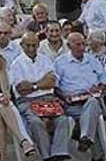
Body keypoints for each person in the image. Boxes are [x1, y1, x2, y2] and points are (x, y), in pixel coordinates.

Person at [11, 32, 73, 161]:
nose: (31, 49)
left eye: (34, 45)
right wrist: (40, 84)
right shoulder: (16, 64)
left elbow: (52, 81)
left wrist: (33, 86)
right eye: (28, 45)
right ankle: (47, 156)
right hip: (27, 100)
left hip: (48, 97)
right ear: (22, 45)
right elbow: (21, 89)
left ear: (39, 44)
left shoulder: (45, 59)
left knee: (62, 119)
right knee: (35, 122)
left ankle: (59, 153)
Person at [54, 32, 106, 161]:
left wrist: (99, 87)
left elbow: (105, 80)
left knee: (93, 103)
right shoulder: (60, 62)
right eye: (78, 44)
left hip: (92, 99)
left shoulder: (92, 60)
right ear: (68, 45)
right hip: (72, 103)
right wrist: (64, 97)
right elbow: (55, 87)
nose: (82, 48)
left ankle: (85, 137)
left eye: (84, 44)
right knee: (92, 116)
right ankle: (97, 155)